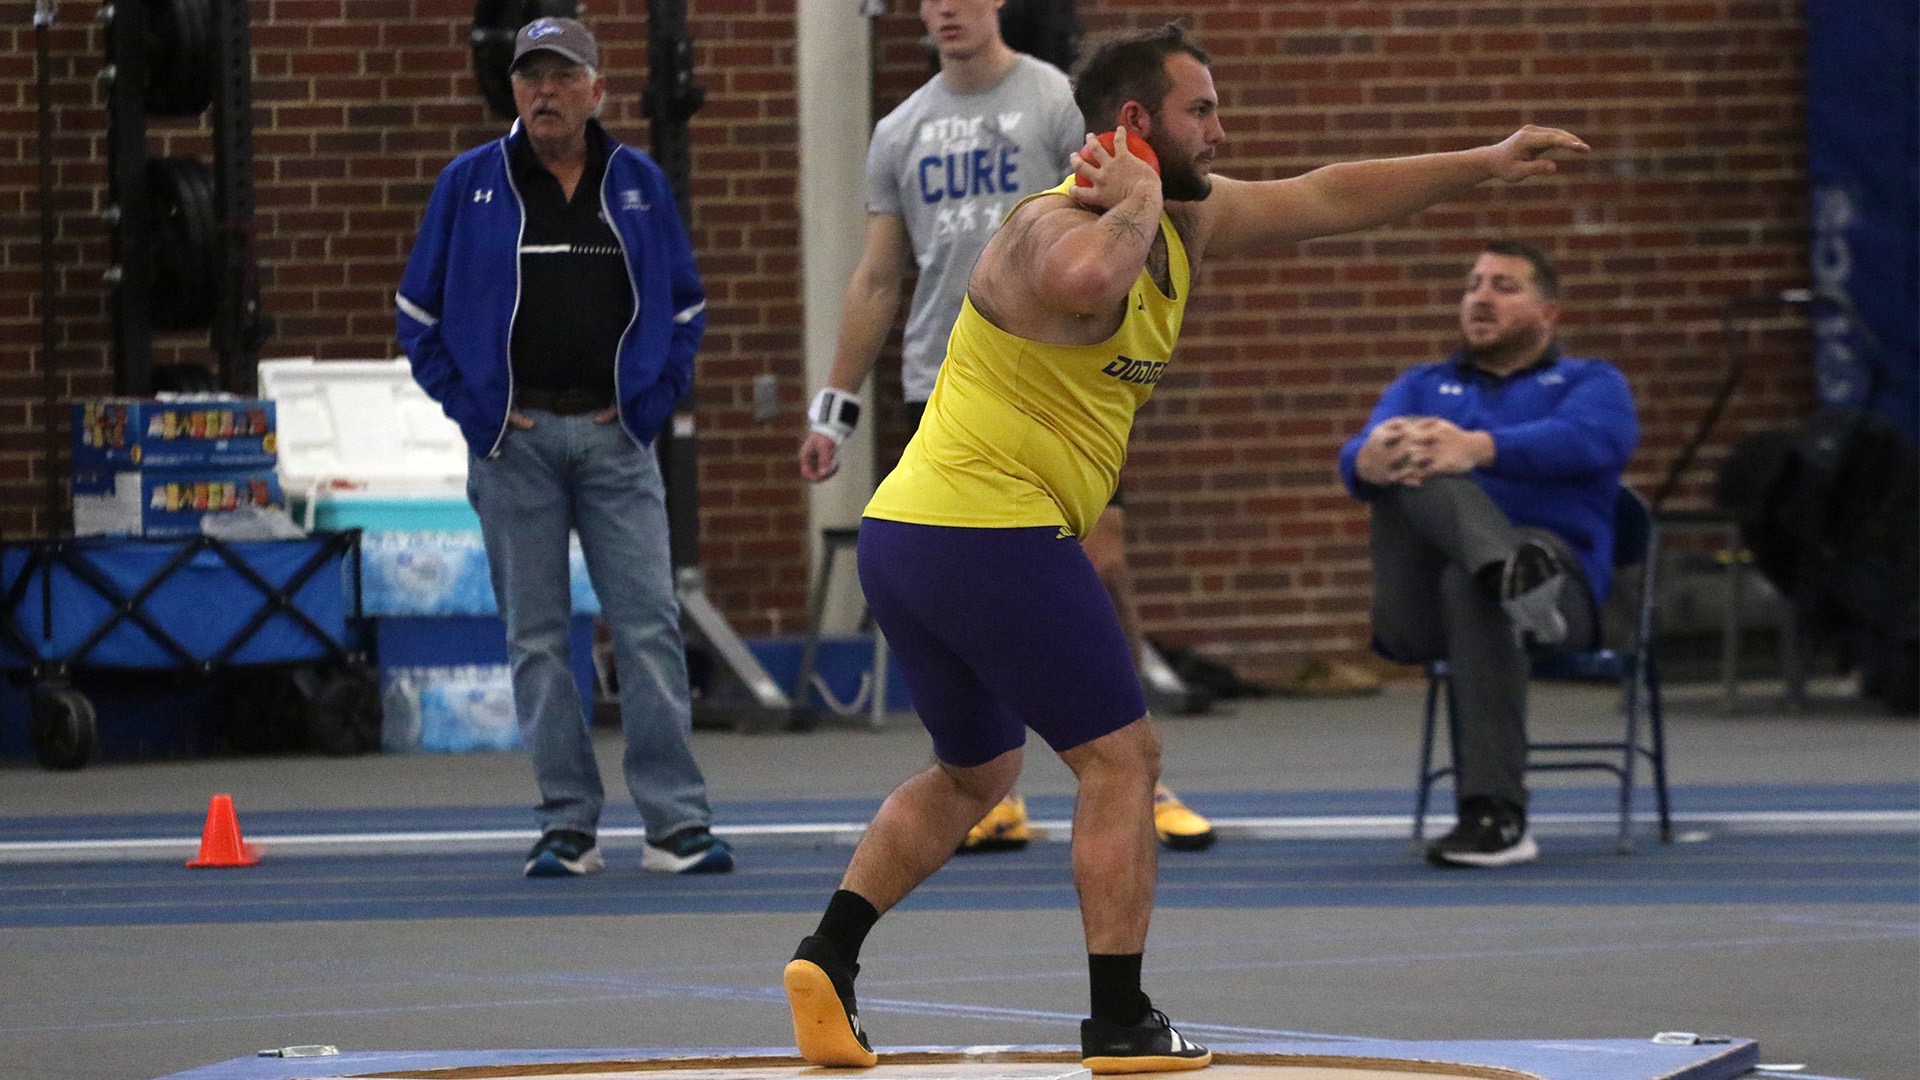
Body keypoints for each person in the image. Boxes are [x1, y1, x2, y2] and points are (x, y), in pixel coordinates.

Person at [782, 22, 1588, 1071]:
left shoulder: (1183, 219)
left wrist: (1483, 162)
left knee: (975, 773)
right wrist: (1134, 200)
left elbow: (1335, 193)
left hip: (920, 537)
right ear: (1134, 125)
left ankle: (827, 958)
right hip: (983, 533)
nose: (1222, 130)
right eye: (1200, 111)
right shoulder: (1053, 224)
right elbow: (1083, 282)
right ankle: (1119, 1020)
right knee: (1124, 760)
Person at [796, 0, 1216, 854]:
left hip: (1056, 371)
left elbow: (1127, 205)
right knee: (964, 580)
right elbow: (880, 276)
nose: (945, 9)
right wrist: (834, 405)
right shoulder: (901, 129)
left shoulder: (1053, 100)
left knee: (1101, 563)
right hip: (949, 379)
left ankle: (1132, 768)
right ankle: (989, 780)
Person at [395, 17, 733, 878]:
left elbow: (687, 307)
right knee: (539, 640)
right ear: (514, 91)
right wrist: (478, 413)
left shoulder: (639, 184)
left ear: (596, 88)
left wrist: (648, 407)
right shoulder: (468, 184)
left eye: (562, 75)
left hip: (618, 440)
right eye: (530, 78)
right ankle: (566, 825)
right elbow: (417, 317)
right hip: (517, 445)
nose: (545, 92)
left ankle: (675, 823)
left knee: (650, 628)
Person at [1338, 240, 1638, 869]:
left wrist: (1479, 448)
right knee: (1411, 460)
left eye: (1504, 285)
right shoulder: (1421, 385)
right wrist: (1362, 460)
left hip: (1562, 597)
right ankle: (1506, 573)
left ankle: (1493, 816)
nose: (1480, 296)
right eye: (1473, 283)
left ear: (1548, 313)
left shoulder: (1592, 382)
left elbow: (1592, 438)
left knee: (1472, 586)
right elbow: (1369, 446)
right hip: (1415, 609)